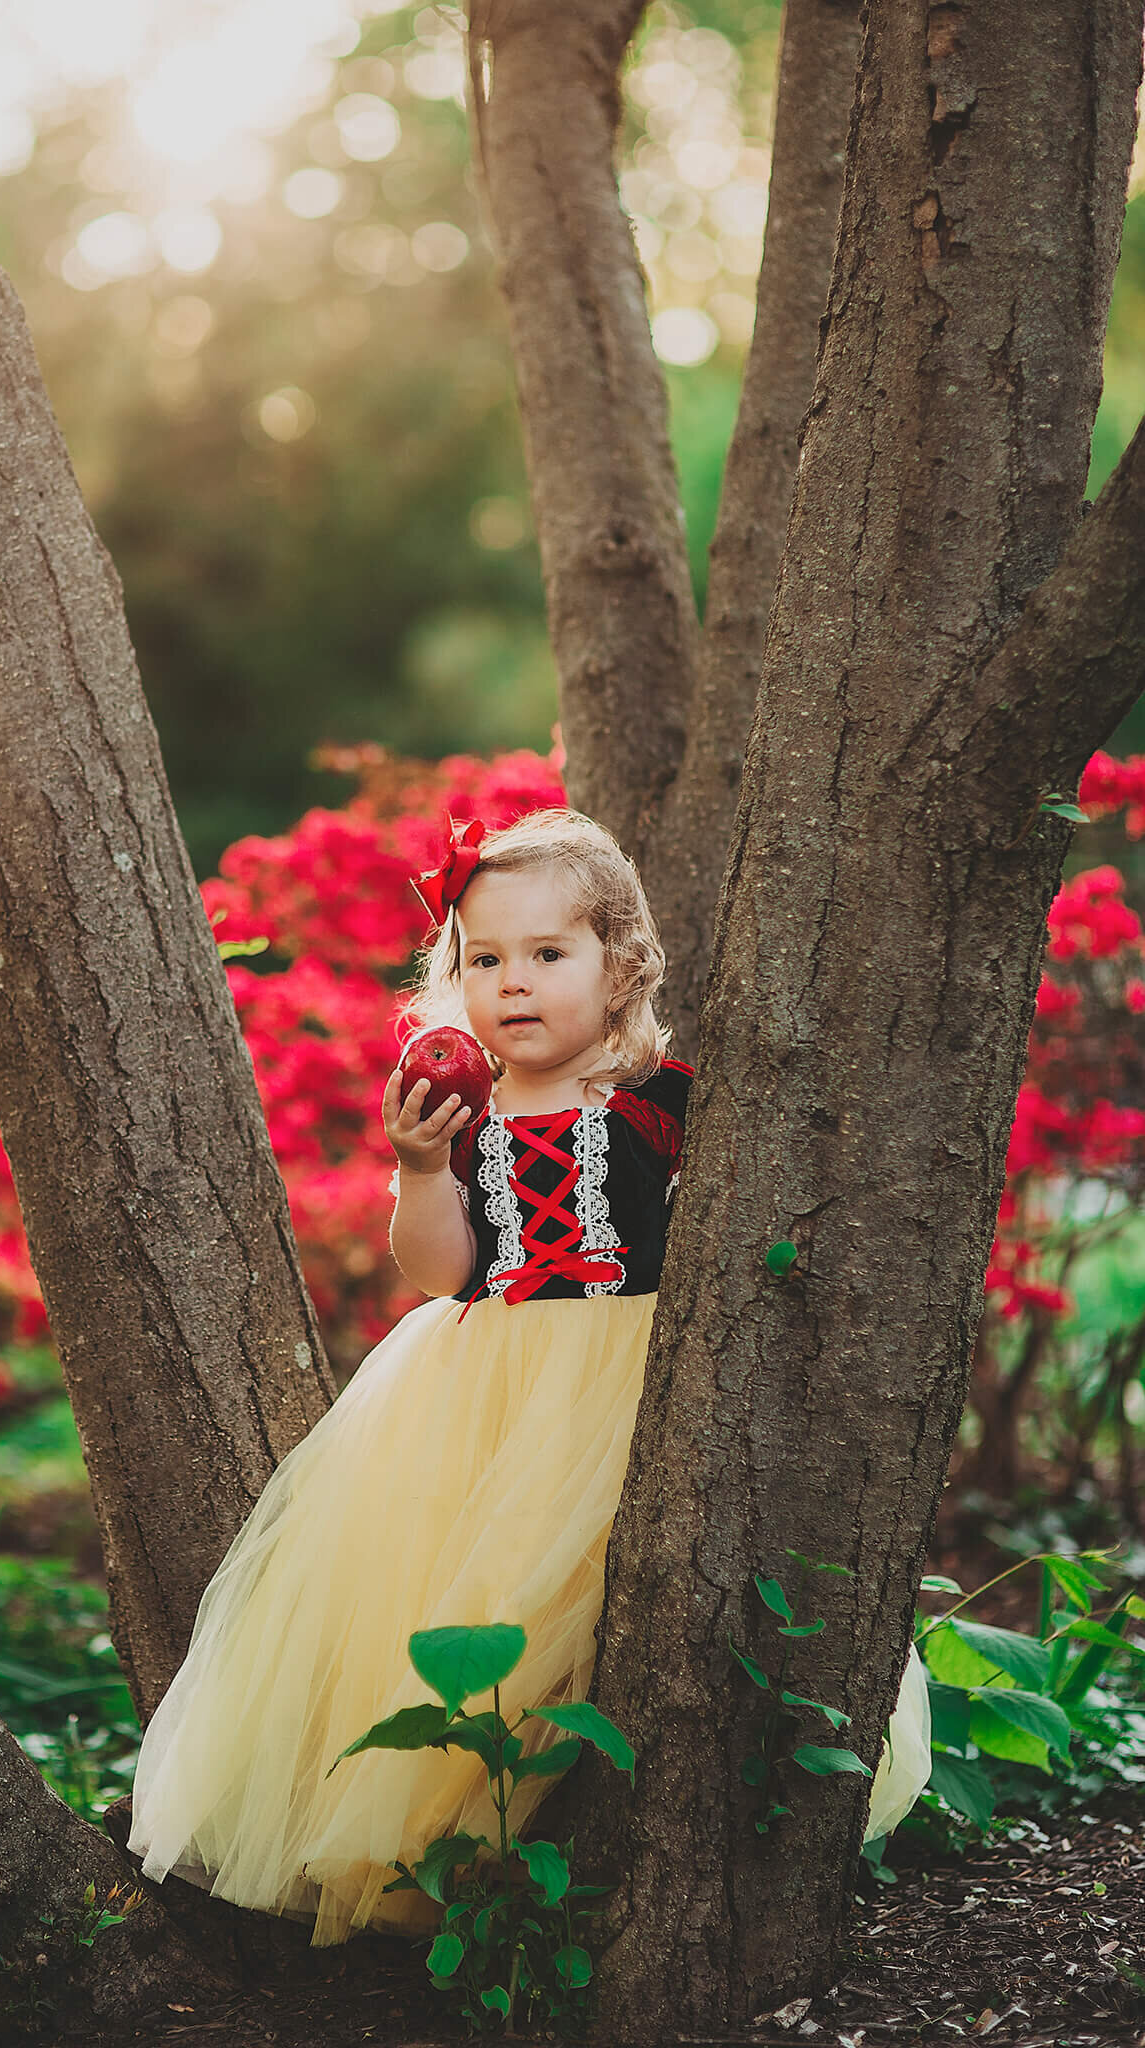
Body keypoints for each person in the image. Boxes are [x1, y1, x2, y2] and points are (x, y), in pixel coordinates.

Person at [126, 807, 931, 1945]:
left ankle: (631, 1831)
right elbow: (443, 1271)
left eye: (547, 953)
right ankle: (482, 1850)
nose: (512, 982)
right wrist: (415, 1166)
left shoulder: (665, 1098)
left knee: (619, 1598)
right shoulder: (459, 1111)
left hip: (632, 1377)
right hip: (486, 1390)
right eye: (484, 958)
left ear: (621, 967)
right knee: (486, 1596)